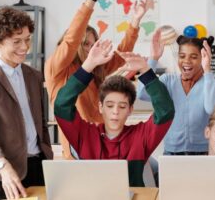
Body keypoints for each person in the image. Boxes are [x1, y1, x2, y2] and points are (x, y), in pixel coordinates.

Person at [45, 0, 149, 160]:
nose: (90, 49)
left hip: (102, 142)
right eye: (85, 44)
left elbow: (121, 54)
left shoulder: (96, 68)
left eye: (93, 44)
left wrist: (135, 21)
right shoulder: (58, 67)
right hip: (79, 148)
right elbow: (71, 39)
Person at [53, 34, 175, 187]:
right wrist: (88, 66)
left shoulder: (141, 136)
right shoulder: (85, 135)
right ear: (100, 107)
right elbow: (61, 105)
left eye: (122, 106)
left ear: (130, 110)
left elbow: (166, 110)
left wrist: (145, 70)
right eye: (109, 106)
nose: (115, 112)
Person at [0, 7, 53, 200]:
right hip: (1, 173)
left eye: (27, 39)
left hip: (36, 168)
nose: (25, 47)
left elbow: (39, 122)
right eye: (17, 41)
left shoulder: (33, 75)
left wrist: (47, 155)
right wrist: (3, 166)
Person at [137, 34, 215, 155]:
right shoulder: (167, 81)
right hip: (171, 153)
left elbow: (212, 109)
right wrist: (153, 59)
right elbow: (142, 93)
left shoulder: (211, 80)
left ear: (203, 58)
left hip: (202, 153)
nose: (186, 61)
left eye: (193, 57)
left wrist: (207, 69)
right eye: (182, 56)